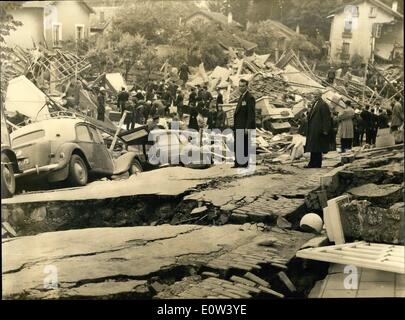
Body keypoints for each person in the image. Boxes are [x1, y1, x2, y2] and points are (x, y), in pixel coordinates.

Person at [304, 89, 332, 168]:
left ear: (320, 95)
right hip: (313, 128)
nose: (314, 96)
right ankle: (312, 163)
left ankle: (316, 164)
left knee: (317, 147)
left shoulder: (323, 104)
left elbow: (326, 118)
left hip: (318, 129)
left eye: (316, 94)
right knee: (314, 147)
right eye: (314, 94)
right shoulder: (315, 103)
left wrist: (325, 130)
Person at [233, 79, 256, 168]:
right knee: (238, 144)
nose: (241, 88)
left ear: (247, 86)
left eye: (243, 86)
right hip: (238, 125)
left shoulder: (249, 98)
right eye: (239, 86)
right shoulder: (241, 97)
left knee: (244, 144)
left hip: (244, 126)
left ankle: (244, 163)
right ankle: (238, 163)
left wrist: (247, 127)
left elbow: (251, 114)